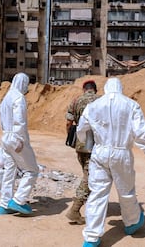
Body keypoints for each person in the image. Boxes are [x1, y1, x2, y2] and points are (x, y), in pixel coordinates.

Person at [77, 77, 145, 247]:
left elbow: (81, 129)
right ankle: (132, 222)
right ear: (120, 88)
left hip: (99, 152)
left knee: (97, 193)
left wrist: (86, 141)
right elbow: (140, 134)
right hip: (121, 153)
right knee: (126, 191)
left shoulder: (94, 105)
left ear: (105, 89)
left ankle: (91, 238)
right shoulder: (131, 105)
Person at [0, 72, 39, 215]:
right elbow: (19, 120)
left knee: (10, 171)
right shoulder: (18, 98)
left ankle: (4, 205)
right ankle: (18, 200)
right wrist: (20, 139)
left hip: (5, 137)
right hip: (16, 138)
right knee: (32, 170)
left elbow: (1, 117)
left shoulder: (6, 98)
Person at [65, 80, 100, 224]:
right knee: (89, 176)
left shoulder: (76, 101)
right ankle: (75, 210)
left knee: (88, 174)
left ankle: (88, 203)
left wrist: (71, 136)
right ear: (95, 90)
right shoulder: (101, 100)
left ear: (84, 89)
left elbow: (69, 123)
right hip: (96, 144)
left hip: (81, 144)